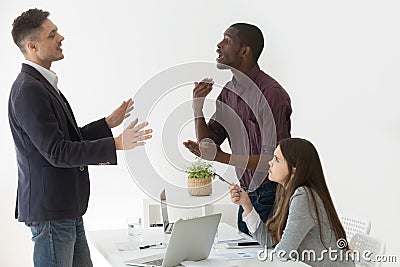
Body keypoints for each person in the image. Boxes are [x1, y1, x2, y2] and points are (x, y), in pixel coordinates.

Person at [8, 8, 152, 266]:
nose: (61, 37)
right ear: (32, 46)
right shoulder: (29, 90)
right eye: (52, 35)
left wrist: (107, 124)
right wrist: (116, 144)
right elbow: (58, 152)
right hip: (53, 212)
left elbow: (65, 140)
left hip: (65, 209)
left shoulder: (41, 84)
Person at [183, 23, 292, 234]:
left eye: (227, 40)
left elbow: (274, 160)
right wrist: (198, 108)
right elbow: (210, 146)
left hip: (272, 196)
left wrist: (221, 157)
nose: (218, 45)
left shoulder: (271, 94)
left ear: (244, 51)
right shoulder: (228, 92)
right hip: (245, 196)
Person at [229, 138, 355, 266]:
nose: (270, 162)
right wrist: (247, 205)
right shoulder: (288, 193)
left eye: (276, 159)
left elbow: (283, 253)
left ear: (294, 170)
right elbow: (269, 241)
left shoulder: (304, 196)